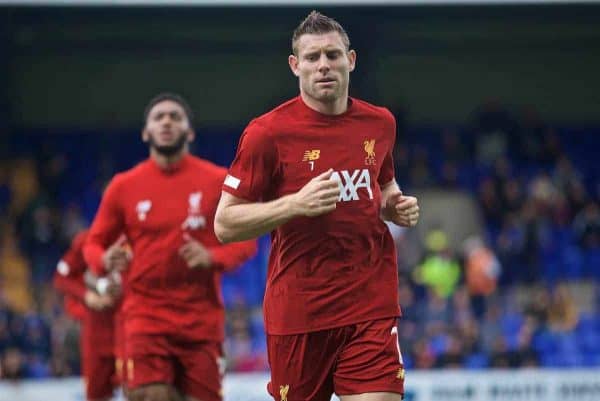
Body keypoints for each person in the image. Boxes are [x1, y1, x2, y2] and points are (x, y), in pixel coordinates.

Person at [215, 11, 419, 401]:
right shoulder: (267, 133)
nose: (323, 65)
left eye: (332, 54)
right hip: (300, 313)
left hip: (370, 304)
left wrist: (395, 205)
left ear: (351, 60)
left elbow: (385, 182)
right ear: (295, 66)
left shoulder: (380, 124)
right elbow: (225, 223)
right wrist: (294, 204)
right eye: (312, 58)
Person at [84, 93, 257, 401]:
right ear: (145, 132)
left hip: (201, 321)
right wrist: (104, 260)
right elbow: (93, 244)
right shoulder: (124, 186)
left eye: (175, 117)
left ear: (190, 132)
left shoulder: (217, 180)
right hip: (144, 318)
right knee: (150, 395)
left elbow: (247, 238)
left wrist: (212, 256)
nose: (167, 121)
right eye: (158, 117)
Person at [53, 229, 121, 401]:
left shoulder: (140, 236)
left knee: (142, 391)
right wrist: (88, 296)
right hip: (96, 335)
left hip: (131, 331)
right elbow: (61, 277)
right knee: (96, 395)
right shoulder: (87, 240)